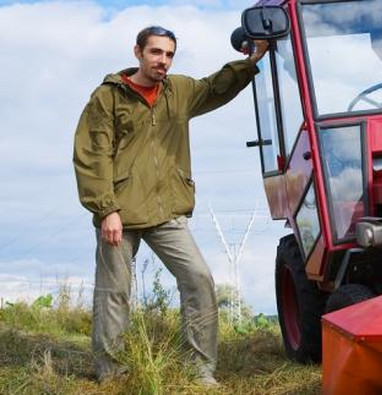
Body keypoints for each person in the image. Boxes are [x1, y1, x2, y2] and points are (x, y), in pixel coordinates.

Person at [73, 25, 268, 385]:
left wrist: (254, 59)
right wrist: (106, 209)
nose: (162, 60)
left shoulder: (178, 90)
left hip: (168, 212)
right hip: (120, 211)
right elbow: (92, 154)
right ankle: (112, 372)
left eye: (168, 54)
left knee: (198, 278)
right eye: (155, 52)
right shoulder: (108, 96)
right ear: (138, 52)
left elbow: (215, 87)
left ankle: (199, 370)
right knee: (114, 292)